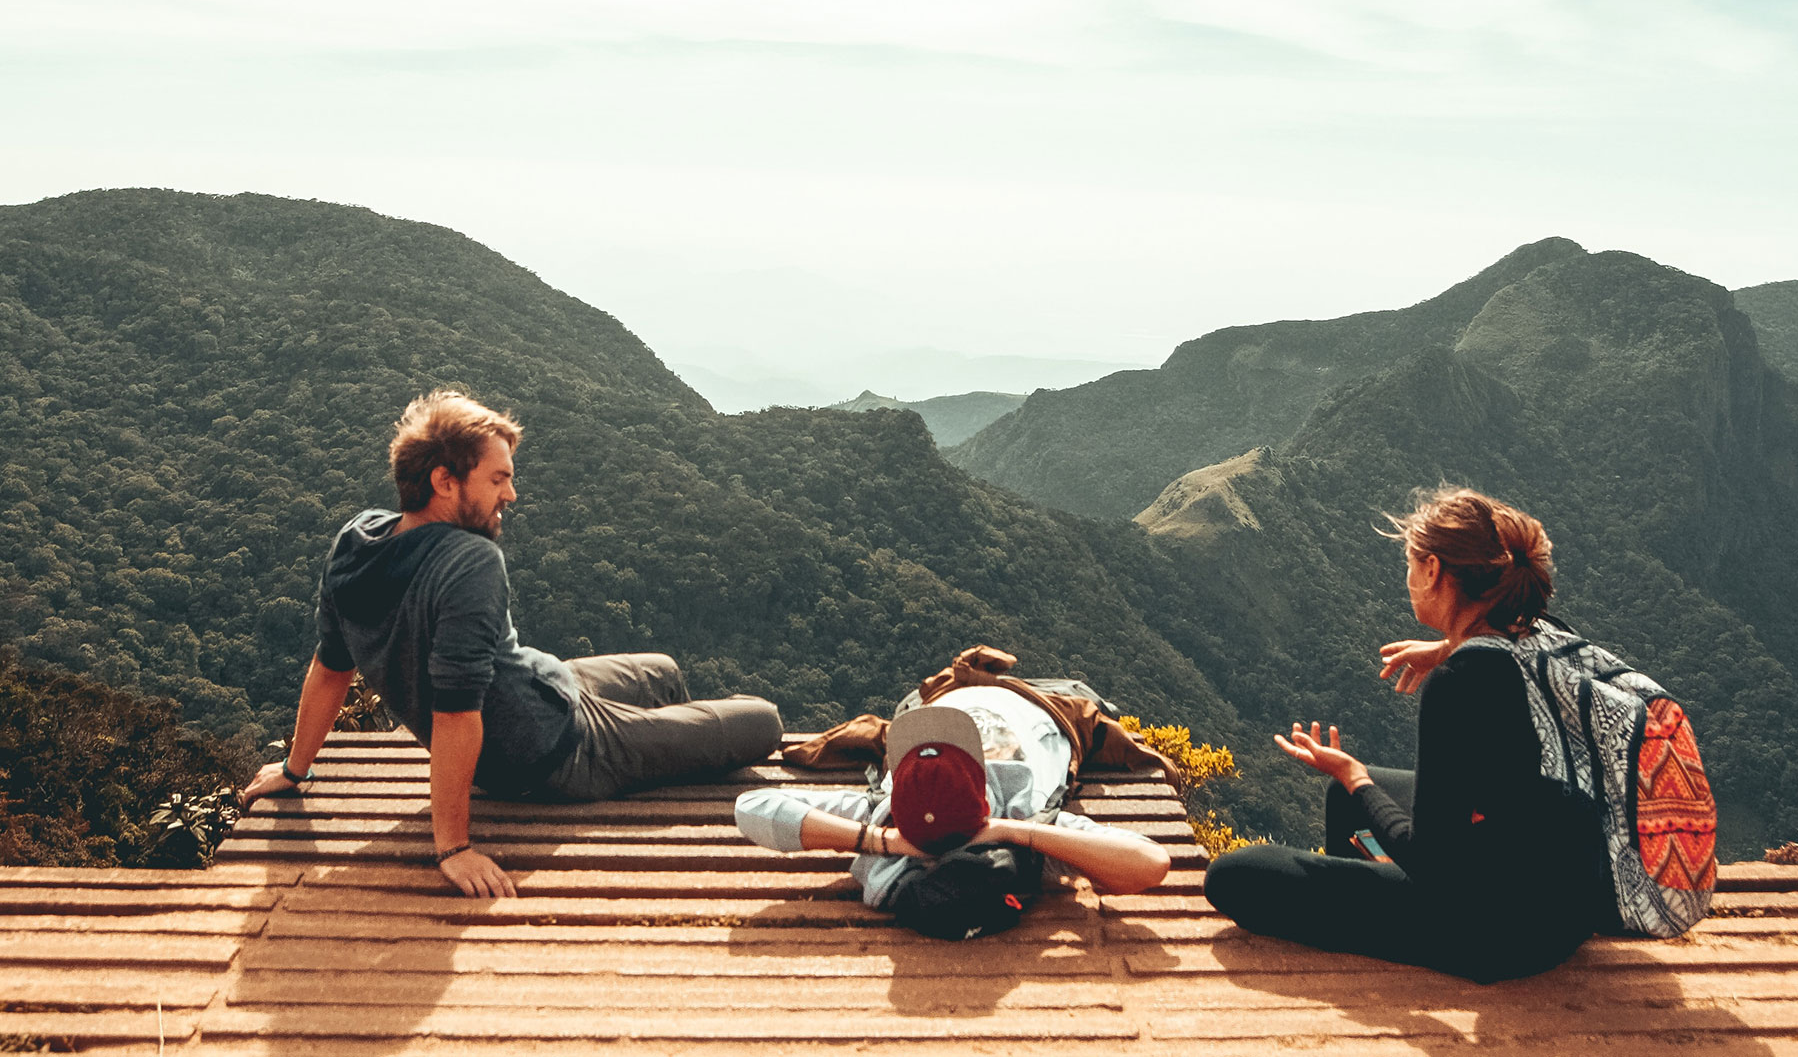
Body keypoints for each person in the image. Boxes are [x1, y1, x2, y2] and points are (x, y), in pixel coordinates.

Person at [240, 390, 785, 897]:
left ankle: (667, 744)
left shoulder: (357, 541)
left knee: (662, 670)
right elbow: (455, 711)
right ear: (445, 482)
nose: (512, 494)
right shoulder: (470, 562)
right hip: (556, 750)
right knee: (764, 721)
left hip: (544, 686)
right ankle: (655, 753)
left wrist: (294, 768)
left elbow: (331, 665)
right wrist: (453, 847)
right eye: (498, 479)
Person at [1202, 486, 1613, 982]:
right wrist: (1447, 647)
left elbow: (1434, 865)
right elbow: (1501, 663)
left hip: (1503, 934)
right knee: (1342, 794)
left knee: (1234, 875)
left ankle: (1386, 922)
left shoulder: (1458, 684)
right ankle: (1373, 912)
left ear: (1434, 569)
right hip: (1570, 902)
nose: (1409, 577)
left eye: (1411, 564)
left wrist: (1355, 775)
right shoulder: (1542, 632)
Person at [734, 683, 1173, 908]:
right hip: (1045, 701)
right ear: (984, 791)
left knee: (915, 698)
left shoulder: (883, 815)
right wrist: (1008, 830)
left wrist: (881, 840)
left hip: (933, 698)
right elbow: (1150, 864)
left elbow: (750, 807)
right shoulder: (1023, 814)